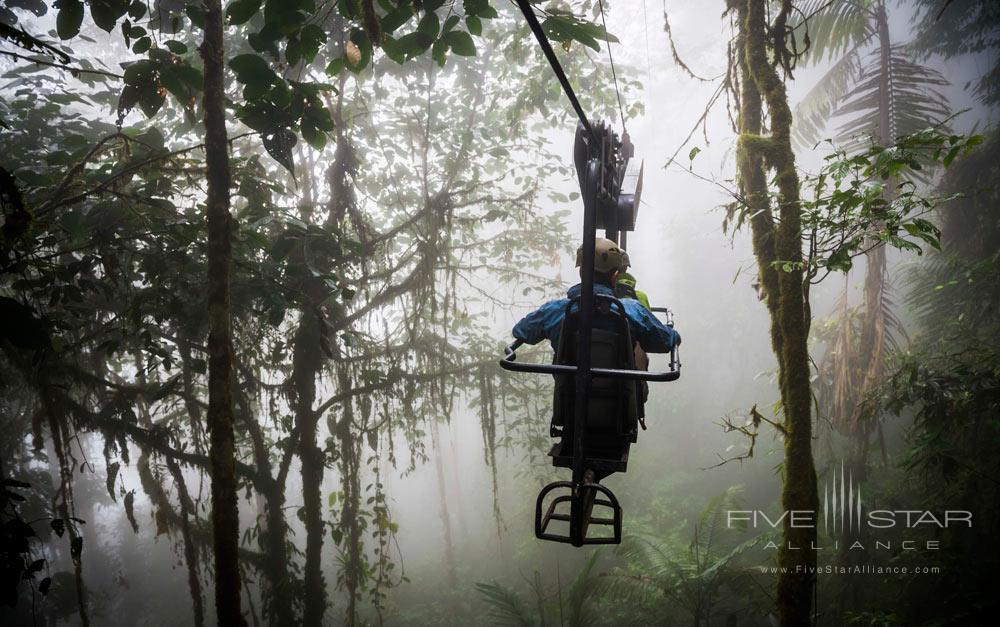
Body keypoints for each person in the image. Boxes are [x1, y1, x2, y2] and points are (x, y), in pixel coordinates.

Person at [512, 238, 679, 354]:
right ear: (614, 276)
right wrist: (672, 333)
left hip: (568, 398)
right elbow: (665, 342)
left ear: (580, 272)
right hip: (621, 399)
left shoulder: (556, 310)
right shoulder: (631, 310)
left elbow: (522, 330)